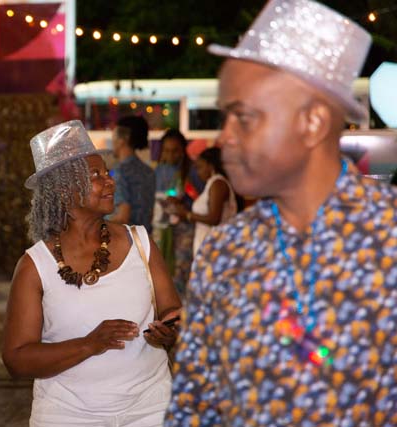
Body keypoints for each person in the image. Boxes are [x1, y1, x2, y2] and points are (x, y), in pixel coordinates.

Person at [165, 1, 397, 426]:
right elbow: (194, 406)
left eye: (243, 117)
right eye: (224, 116)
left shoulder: (389, 238)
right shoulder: (225, 253)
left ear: (312, 122)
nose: (223, 138)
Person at [3, 120, 181, 426]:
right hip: (67, 414)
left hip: (150, 408)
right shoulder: (35, 266)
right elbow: (16, 359)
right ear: (64, 191)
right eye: (96, 176)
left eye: (107, 173)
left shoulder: (140, 242)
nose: (109, 181)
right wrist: (89, 344)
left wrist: (171, 328)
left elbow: (171, 309)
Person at [152, 129, 199, 297]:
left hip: (184, 231)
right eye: (166, 150)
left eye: (175, 151)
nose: (170, 155)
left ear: (183, 150)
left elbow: (202, 203)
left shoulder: (193, 171)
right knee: (163, 274)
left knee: (180, 273)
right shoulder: (158, 170)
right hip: (161, 229)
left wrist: (183, 204)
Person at [168, 147, 237, 254]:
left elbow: (214, 218)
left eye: (200, 167)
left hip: (215, 246)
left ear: (210, 166)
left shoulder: (218, 183)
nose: (198, 172)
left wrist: (187, 214)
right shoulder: (211, 184)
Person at [108, 115, 156, 232]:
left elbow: (122, 216)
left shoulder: (120, 171)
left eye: (114, 136)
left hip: (126, 238)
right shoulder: (148, 171)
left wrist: (97, 225)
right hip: (145, 237)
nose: (112, 141)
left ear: (122, 140)